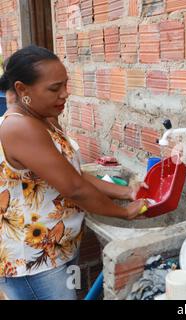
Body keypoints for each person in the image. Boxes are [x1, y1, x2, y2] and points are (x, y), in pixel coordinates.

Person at [0, 45, 150, 300]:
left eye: (65, 85)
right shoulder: (19, 128)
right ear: (22, 89)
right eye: (54, 88)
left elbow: (74, 173)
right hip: (34, 260)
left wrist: (127, 192)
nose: (65, 94)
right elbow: (75, 188)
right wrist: (124, 212)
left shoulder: (44, 119)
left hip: (58, 248)